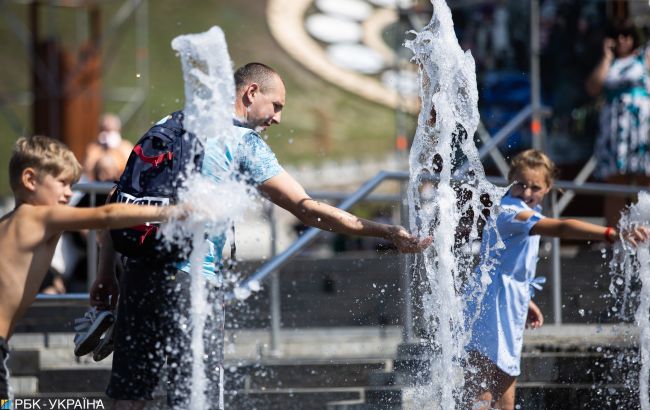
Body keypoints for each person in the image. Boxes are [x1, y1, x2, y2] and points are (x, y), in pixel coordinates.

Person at [90, 62, 431, 410]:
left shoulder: (171, 123)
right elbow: (306, 208)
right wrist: (385, 231)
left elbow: (116, 200)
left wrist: (106, 274)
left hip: (137, 273)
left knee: (129, 395)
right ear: (251, 93)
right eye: (277, 106)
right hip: (192, 283)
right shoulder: (242, 142)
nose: (278, 119)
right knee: (194, 399)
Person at [463, 149, 650, 410]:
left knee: (505, 385)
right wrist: (612, 233)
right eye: (520, 184)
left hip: (507, 303)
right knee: (483, 389)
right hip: (488, 306)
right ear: (510, 180)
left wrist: (525, 300)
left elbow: (510, 264)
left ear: (548, 188)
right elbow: (561, 227)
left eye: (535, 187)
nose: (527, 192)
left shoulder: (529, 211)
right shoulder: (510, 211)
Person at [0, 135, 178, 399]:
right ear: (30, 180)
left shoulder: (8, 222)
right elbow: (106, 215)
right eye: (62, 183)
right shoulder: (36, 216)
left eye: (72, 185)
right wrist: (174, 211)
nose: (69, 193)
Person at [586, 20, 650, 226]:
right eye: (617, 36)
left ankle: (645, 230)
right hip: (614, 129)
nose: (622, 40)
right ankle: (614, 234)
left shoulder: (644, 58)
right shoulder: (609, 63)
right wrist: (607, 56)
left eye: (626, 35)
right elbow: (593, 87)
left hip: (641, 127)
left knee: (644, 180)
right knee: (615, 181)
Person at [83, 113, 133, 181]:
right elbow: (88, 168)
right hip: (98, 185)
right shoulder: (94, 147)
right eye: (103, 130)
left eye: (110, 130)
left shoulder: (126, 146)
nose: (107, 134)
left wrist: (116, 148)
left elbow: (131, 167)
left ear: (118, 130)